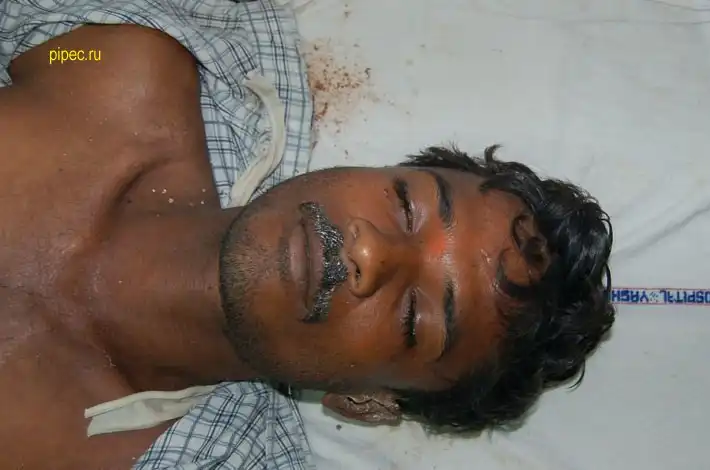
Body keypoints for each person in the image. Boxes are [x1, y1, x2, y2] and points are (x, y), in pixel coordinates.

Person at [0, 1, 615, 469]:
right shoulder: (111, 56)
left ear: (366, 400)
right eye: (406, 205)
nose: (370, 250)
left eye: (412, 318)